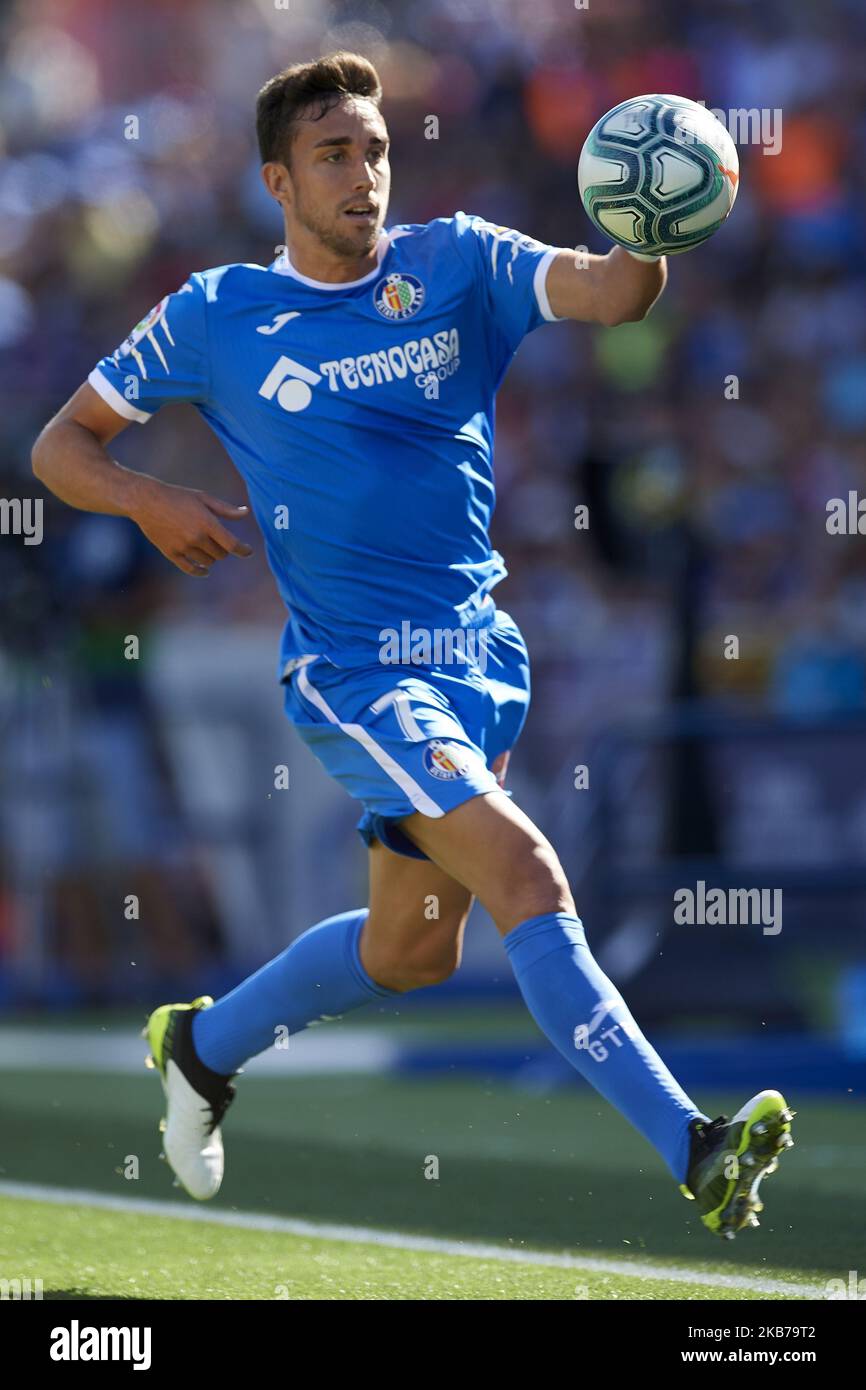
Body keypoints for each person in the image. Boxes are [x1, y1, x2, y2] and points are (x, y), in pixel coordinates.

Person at [32, 51, 794, 1240]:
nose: (365, 174)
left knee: (410, 951)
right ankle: (690, 1143)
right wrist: (146, 499)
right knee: (525, 876)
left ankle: (200, 1045)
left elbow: (610, 296)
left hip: (478, 657)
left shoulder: (463, 263)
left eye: (376, 150)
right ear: (278, 181)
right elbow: (59, 447)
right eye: (335, 154)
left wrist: (650, 227)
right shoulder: (216, 312)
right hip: (355, 674)